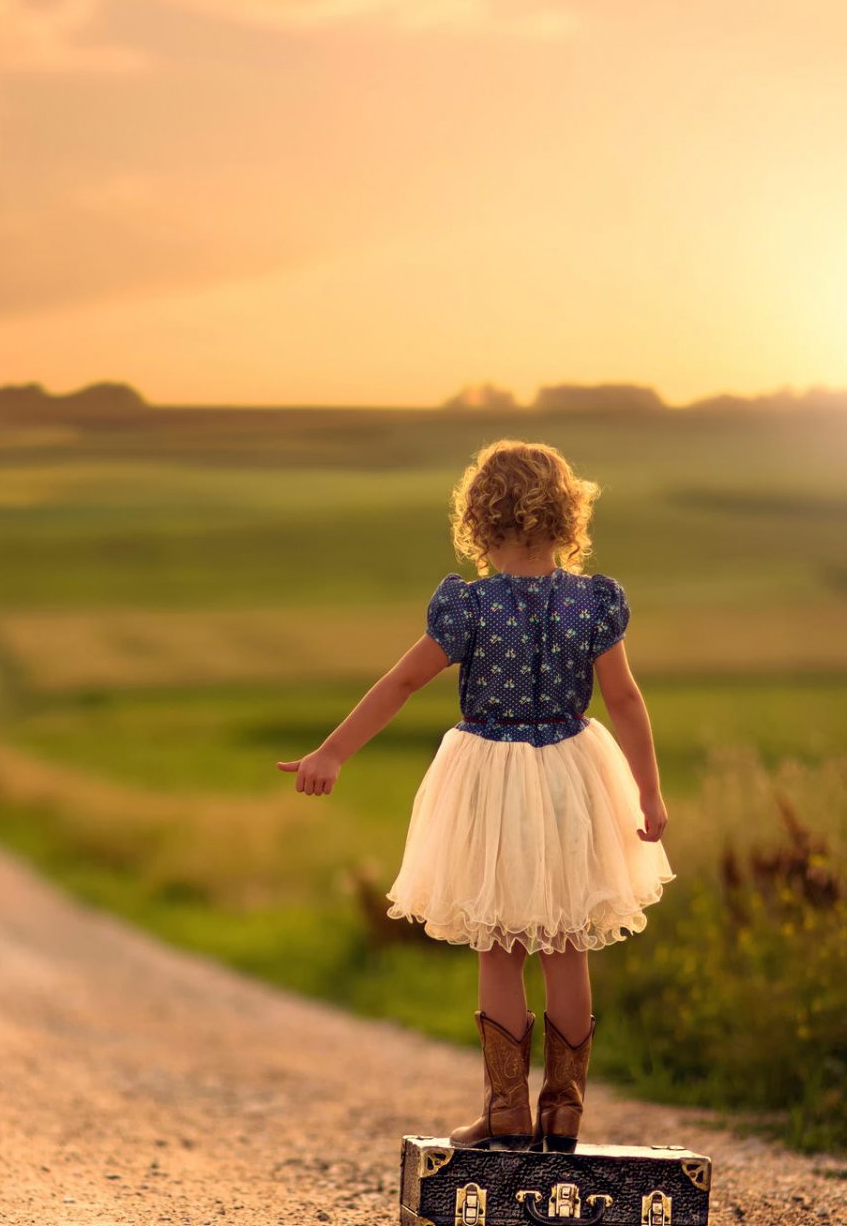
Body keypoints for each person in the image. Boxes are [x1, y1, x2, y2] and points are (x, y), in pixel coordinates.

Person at [277, 440, 672, 1152]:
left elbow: (400, 683)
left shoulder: (469, 605)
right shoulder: (593, 603)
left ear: (480, 520)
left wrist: (332, 750)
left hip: (491, 776)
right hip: (573, 778)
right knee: (567, 940)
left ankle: (506, 1111)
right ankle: (564, 1108)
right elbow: (626, 699)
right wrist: (648, 792)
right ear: (566, 516)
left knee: (500, 943)